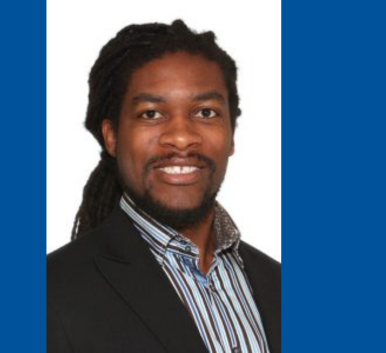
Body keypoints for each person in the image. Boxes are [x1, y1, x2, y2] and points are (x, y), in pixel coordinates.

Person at [47, 20, 281, 353]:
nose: (182, 137)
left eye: (205, 111)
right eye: (151, 114)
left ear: (231, 134)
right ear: (112, 136)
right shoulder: (51, 294)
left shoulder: (279, 286)